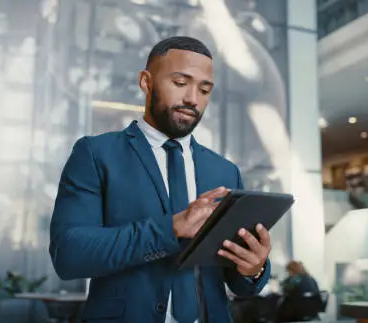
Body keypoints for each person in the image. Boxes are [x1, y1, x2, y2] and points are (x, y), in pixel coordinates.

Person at [49, 36, 272, 323]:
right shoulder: (96, 154)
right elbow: (69, 254)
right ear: (146, 82)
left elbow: (237, 280)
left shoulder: (226, 171)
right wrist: (171, 228)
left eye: (204, 90)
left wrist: (253, 267)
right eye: (180, 83)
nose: (193, 98)